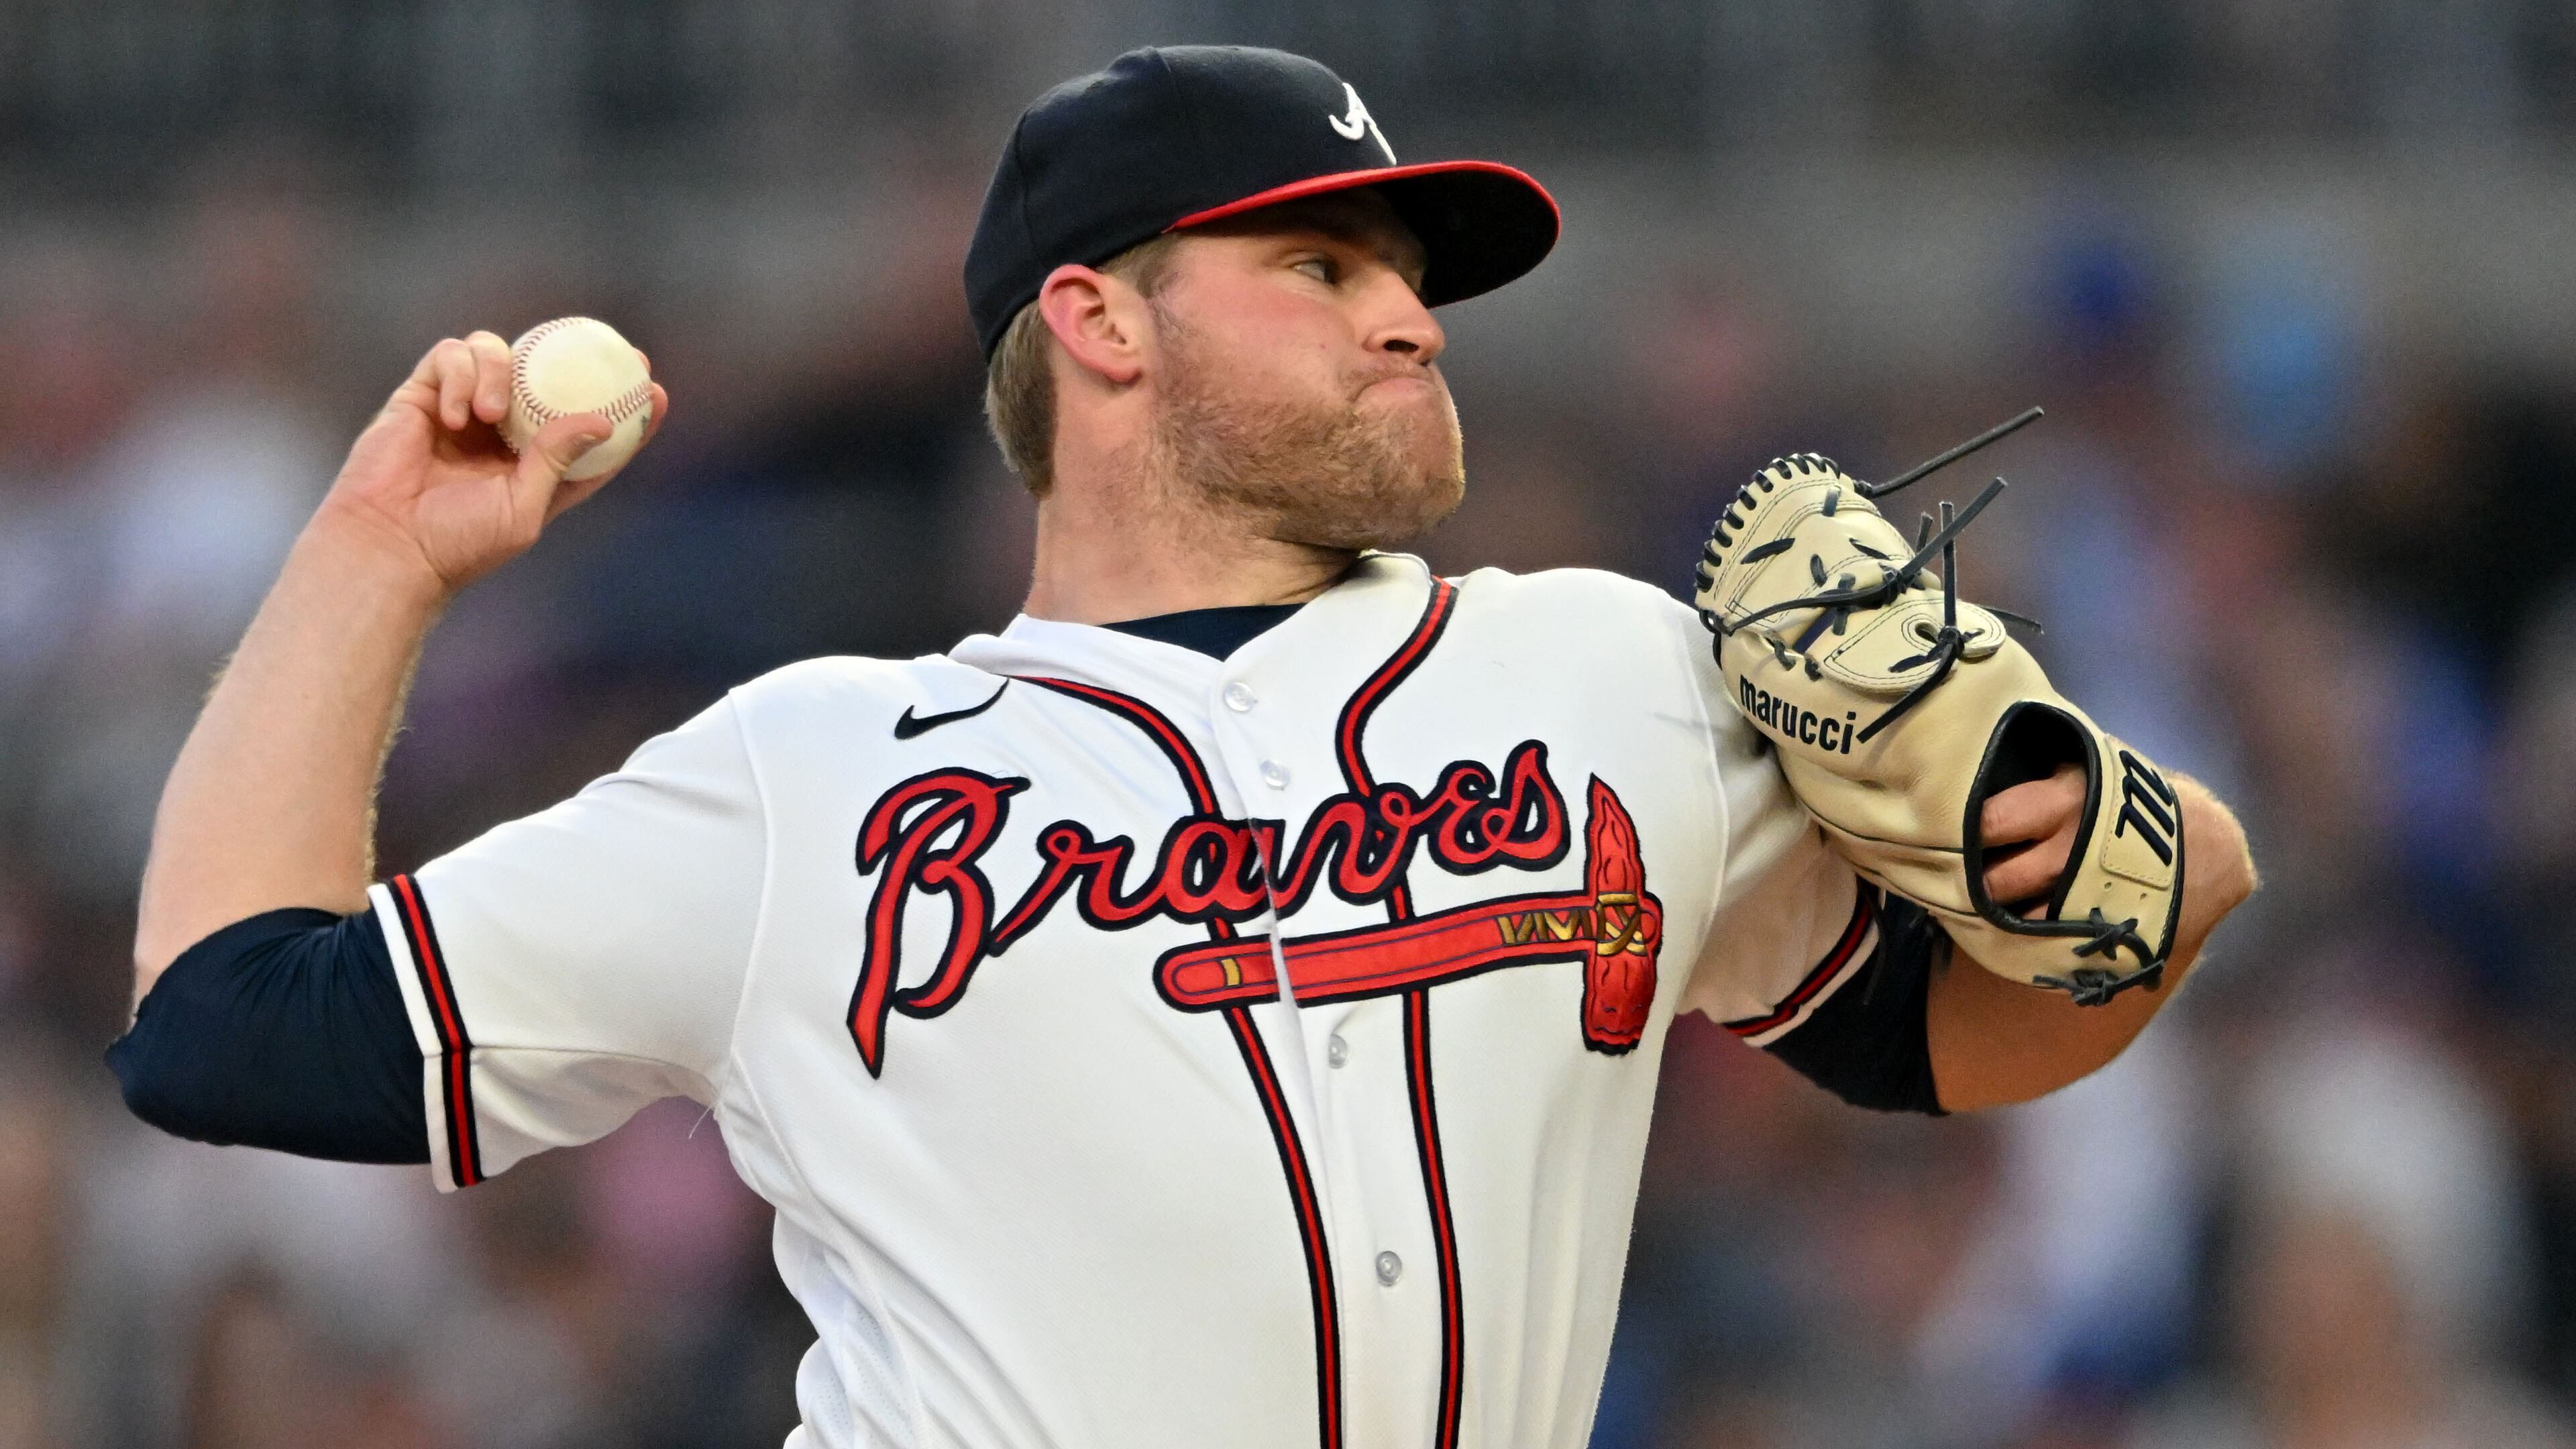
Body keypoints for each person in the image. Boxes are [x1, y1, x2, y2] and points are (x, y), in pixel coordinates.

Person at [109, 45, 2256, 1449]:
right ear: (1097, 319)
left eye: (1411, 274)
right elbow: (220, 1025)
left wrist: (2084, 854)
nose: (1408, 314)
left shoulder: (1609, 674)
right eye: (1319, 264)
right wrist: (377, 554)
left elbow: (1965, 1032)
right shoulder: (819, 782)